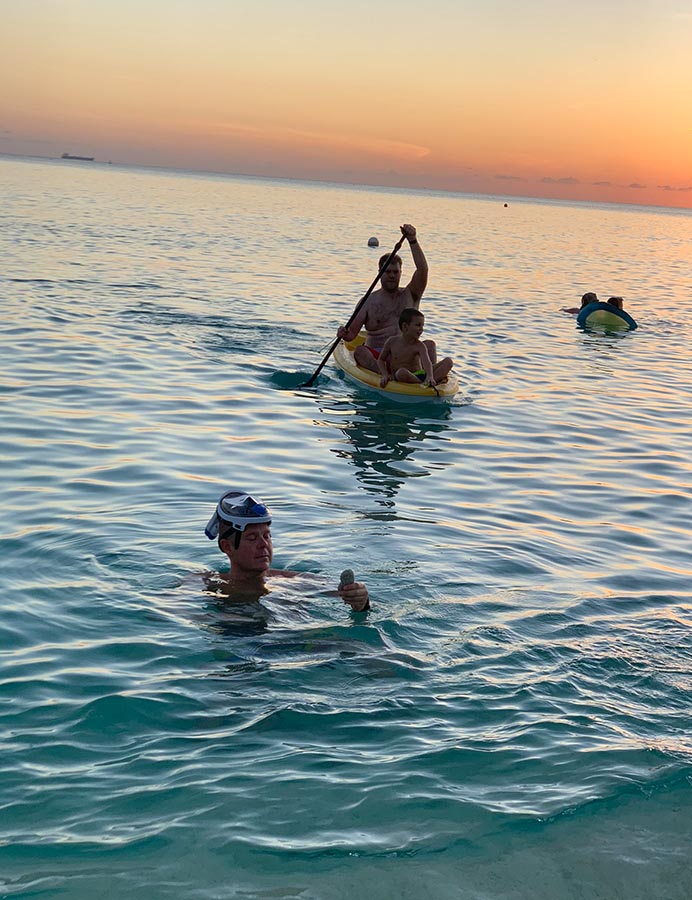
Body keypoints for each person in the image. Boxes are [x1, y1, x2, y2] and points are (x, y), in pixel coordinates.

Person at [204, 489, 370, 611]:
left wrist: (361, 599)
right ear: (227, 546)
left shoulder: (297, 581)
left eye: (267, 536)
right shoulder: (205, 583)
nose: (263, 544)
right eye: (252, 538)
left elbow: (344, 593)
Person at [336, 223, 435, 374]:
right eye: (387, 271)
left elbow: (423, 269)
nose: (392, 276)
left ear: (401, 272)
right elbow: (351, 335)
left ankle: (430, 379)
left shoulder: (411, 294)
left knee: (430, 345)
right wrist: (343, 332)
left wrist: (412, 240)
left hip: (406, 355)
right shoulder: (368, 302)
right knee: (360, 352)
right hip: (379, 355)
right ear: (380, 272)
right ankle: (385, 375)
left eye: (395, 272)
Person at [378, 308, 453, 389]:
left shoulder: (419, 346)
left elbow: (427, 363)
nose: (421, 329)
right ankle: (424, 383)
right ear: (405, 326)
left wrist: (429, 375)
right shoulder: (392, 342)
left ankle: (429, 381)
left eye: (422, 326)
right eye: (418, 325)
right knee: (401, 372)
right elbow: (381, 360)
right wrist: (385, 374)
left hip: (420, 374)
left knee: (448, 361)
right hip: (403, 375)